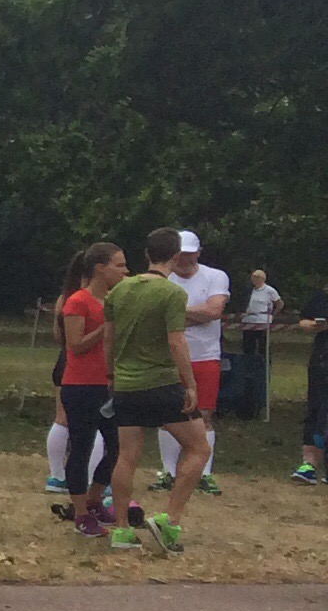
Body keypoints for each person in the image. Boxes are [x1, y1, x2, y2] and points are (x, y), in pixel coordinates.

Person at [104, 228, 204, 552]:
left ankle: (121, 529)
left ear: (146, 254)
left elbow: (109, 338)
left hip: (126, 384)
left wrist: (111, 374)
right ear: (175, 256)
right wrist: (190, 383)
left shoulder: (119, 290)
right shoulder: (172, 293)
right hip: (161, 383)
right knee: (199, 448)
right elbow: (176, 341)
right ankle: (169, 520)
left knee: (126, 456)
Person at [55, 242, 123, 539]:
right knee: (81, 447)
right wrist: (104, 329)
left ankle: (95, 498)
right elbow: (75, 345)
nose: (125, 271)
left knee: (118, 445)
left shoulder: (113, 300)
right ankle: (80, 512)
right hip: (80, 385)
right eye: (119, 265)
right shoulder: (78, 301)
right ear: (100, 268)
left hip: (108, 384)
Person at [163, 232, 230, 494]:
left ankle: (204, 473)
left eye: (190, 254)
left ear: (198, 253)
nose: (185, 260)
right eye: (181, 254)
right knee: (169, 414)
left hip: (205, 355)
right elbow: (157, 317)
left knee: (204, 413)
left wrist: (176, 312)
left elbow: (214, 311)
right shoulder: (164, 278)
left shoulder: (215, 276)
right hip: (170, 355)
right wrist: (196, 313)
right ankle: (168, 471)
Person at [297, 276, 328, 484]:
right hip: (322, 360)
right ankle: (308, 465)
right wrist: (313, 325)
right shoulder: (320, 297)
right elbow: (304, 321)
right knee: (315, 409)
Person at [238, 269, 280, 419]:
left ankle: (263, 363)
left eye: (257, 277)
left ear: (263, 278)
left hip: (262, 323)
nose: (254, 280)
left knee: (262, 349)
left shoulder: (269, 290)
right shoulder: (249, 291)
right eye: (253, 277)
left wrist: (272, 316)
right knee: (248, 348)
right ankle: (248, 365)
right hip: (248, 321)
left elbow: (279, 303)